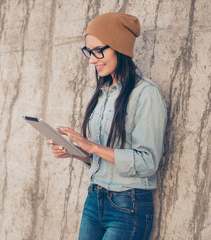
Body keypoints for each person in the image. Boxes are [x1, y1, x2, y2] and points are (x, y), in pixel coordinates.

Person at [47, 12, 167, 240]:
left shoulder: (145, 94)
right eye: (88, 52)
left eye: (98, 51)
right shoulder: (102, 93)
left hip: (128, 206)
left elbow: (148, 161)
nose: (92, 60)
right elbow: (103, 159)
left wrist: (92, 147)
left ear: (120, 48)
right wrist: (75, 152)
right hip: (94, 200)